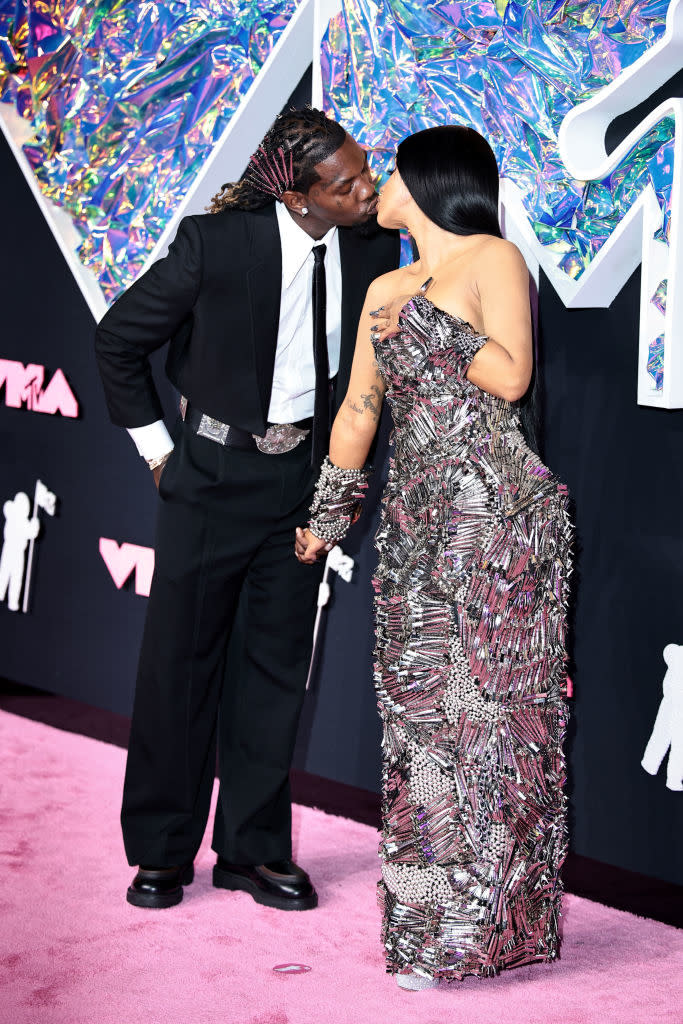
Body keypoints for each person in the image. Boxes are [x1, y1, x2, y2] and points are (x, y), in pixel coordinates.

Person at [95, 107, 400, 911]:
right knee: (179, 670)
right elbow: (118, 340)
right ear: (300, 196)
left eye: (366, 171)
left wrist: (333, 489)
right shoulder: (215, 244)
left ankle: (252, 850)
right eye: (348, 183)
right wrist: (160, 453)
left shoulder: (372, 246)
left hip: (301, 479)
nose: (369, 189)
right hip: (213, 475)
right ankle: (161, 851)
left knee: (271, 674)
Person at [297, 125, 572, 987]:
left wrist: (422, 323)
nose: (373, 186)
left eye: (387, 173)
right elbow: (356, 413)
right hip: (417, 534)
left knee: (496, 732)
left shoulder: (491, 258)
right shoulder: (381, 280)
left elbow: (511, 375)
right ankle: (431, 933)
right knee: (421, 736)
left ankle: (500, 931)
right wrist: (326, 516)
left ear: (423, 181)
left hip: (499, 530)